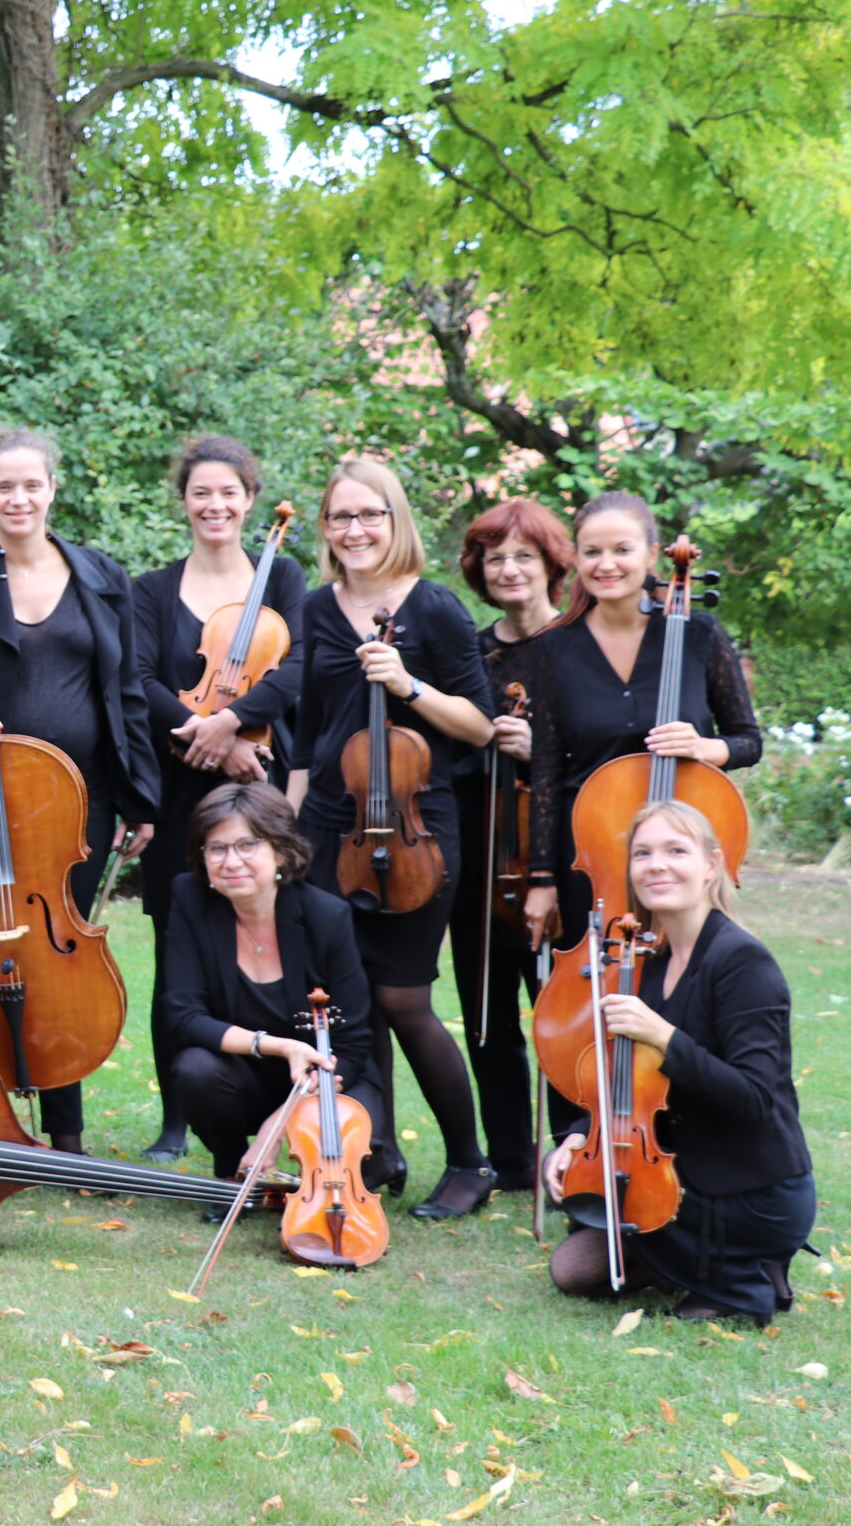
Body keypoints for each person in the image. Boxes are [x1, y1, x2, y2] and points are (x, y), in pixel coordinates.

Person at [0, 429, 158, 1158]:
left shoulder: (101, 576)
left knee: (59, 956)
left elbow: (127, 692)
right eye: (3, 486)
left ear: (53, 487)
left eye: (31, 484)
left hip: (73, 809)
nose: (18, 498)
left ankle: (68, 1132)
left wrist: (139, 798)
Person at [292, 458, 498, 1218]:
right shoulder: (318, 609)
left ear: (395, 518)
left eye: (369, 514)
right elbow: (309, 731)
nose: (355, 530)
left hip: (417, 826)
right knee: (351, 999)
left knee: (405, 997)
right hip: (329, 823)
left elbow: (479, 726)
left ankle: (471, 1163)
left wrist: (408, 684)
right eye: (340, 517)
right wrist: (288, 826)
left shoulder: (435, 608)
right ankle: (375, 1149)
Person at [543, 801, 810, 1325]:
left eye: (675, 850)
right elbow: (636, 1088)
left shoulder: (743, 962)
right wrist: (579, 1137)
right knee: (572, 1270)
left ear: (711, 864)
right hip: (678, 1168)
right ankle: (696, 1265)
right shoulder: (653, 961)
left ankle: (750, 1271)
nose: (655, 865)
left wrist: (663, 1035)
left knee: (611, 1249)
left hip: (748, 1185)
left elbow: (755, 1100)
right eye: (642, 853)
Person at [129, 434, 309, 1163]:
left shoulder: (286, 576)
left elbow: (298, 667)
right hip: (180, 786)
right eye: (200, 492)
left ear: (249, 499)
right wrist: (199, 732)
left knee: (265, 941)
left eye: (228, 492)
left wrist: (232, 726)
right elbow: (137, 681)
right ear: (184, 502)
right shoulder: (150, 589)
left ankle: (269, 1101)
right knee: (178, 948)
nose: (214, 504)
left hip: (257, 779)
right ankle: (176, 1118)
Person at [522, 493, 763, 950]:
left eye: (621, 550)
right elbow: (547, 769)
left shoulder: (700, 634)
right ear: (576, 557)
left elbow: (748, 740)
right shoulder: (553, 649)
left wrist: (704, 747)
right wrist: (541, 877)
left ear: (653, 555)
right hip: (592, 858)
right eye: (592, 552)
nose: (605, 564)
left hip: (685, 853)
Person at [155, 785, 375, 1213]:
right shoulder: (190, 898)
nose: (231, 861)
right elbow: (182, 1017)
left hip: (325, 1076)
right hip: (245, 1075)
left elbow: (352, 1046)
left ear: (281, 851)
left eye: (247, 844)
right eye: (216, 848)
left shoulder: (326, 916)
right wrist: (278, 1046)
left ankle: (288, 1177)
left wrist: (282, 1123)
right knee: (194, 1068)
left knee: (368, 1155)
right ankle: (231, 1173)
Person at [446, 499, 574, 1188]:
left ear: (553, 564)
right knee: (487, 1016)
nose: (508, 568)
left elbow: (602, 749)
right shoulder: (470, 648)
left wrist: (541, 748)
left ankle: (570, 1149)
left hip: (555, 856)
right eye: (495, 556)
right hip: (477, 854)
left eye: (524, 555)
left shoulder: (577, 644)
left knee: (559, 1014)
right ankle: (511, 1160)